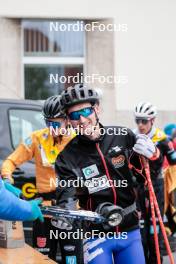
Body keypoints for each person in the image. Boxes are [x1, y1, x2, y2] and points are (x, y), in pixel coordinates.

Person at [54, 84, 159, 264]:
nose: (81, 119)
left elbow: (147, 179)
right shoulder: (66, 157)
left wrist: (154, 156)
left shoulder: (122, 136)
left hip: (130, 231)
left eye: (86, 111)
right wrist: (65, 215)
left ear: (97, 110)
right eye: (73, 115)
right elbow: (67, 198)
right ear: (68, 120)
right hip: (96, 235)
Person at [1, 95, 75, 261]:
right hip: (44, 212)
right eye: (48, 123)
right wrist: (7, 179)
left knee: (72, 259)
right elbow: (10, 161)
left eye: (56, 123)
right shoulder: (37, 138)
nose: (52, 128)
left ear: (67, 120)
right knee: (41, 259)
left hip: (69, 211)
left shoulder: (76, 140)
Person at [133, 101, 176, 264]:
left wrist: (169, 150)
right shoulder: (132, 136)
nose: (140, 124)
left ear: (153, 120)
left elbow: (173, 161)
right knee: (141, 234)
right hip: (138, 187)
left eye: (144, 121)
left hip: (156, 186)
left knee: (154, 233)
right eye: (137, 120)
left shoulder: (162, 138)